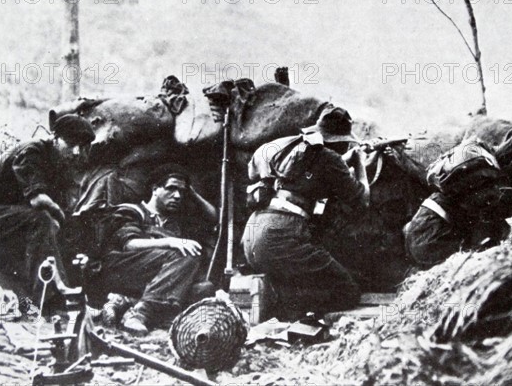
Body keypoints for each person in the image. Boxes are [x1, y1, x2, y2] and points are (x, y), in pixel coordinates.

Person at [241, 106, 370, 319]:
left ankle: (277, 292)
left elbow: (310, 176)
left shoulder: (293, 148)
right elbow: (361, 199)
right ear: (339, 140)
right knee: (347, 291)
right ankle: (275, 296)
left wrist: (344, 163)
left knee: (317, 275)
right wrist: (360, 164)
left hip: (255, 232)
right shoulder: (330, 159)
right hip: (281, 236)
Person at [91, 165, 217, 335]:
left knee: (205, 288)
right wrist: (170, 241)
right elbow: (130, 244)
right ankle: (141, 312)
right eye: (171, 189)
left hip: (158, 279)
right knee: (185, 253)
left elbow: (214, 217)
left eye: (182, 191)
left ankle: (127, 303)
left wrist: (192, 193)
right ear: (155, 189)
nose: (178, 196)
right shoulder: (133, 211)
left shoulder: (176, 224)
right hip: (123, 269)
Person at [0, 114, 95, 299]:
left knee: (68, 228)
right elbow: (38, 200)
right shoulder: (33, 151)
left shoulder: (61, 165)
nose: (76, 152)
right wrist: (59, 217)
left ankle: (71, 293)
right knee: (40, 220)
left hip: (8, 217)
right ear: (55, 138)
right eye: (71, 144)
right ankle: (47, 296)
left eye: (82, 147)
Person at [404, 139, 512, 268]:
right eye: (486, 186)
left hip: (426, 232)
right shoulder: (483, 178)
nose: (494, 191)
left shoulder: (476, 183)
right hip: (431, 243)